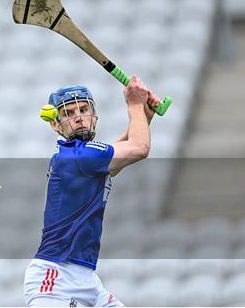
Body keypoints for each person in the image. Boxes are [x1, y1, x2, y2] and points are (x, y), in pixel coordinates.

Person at [23, 76, 160, 307]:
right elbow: (140, 148)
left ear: (93, 113)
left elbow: (117, 162)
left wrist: (144, 116)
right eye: (68, 113)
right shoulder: (81, 155)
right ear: (55, 124)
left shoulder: (83, 156)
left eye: (83, 109)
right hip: (55, 280)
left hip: (86, 280)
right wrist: (135, 105)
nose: (78, 118)